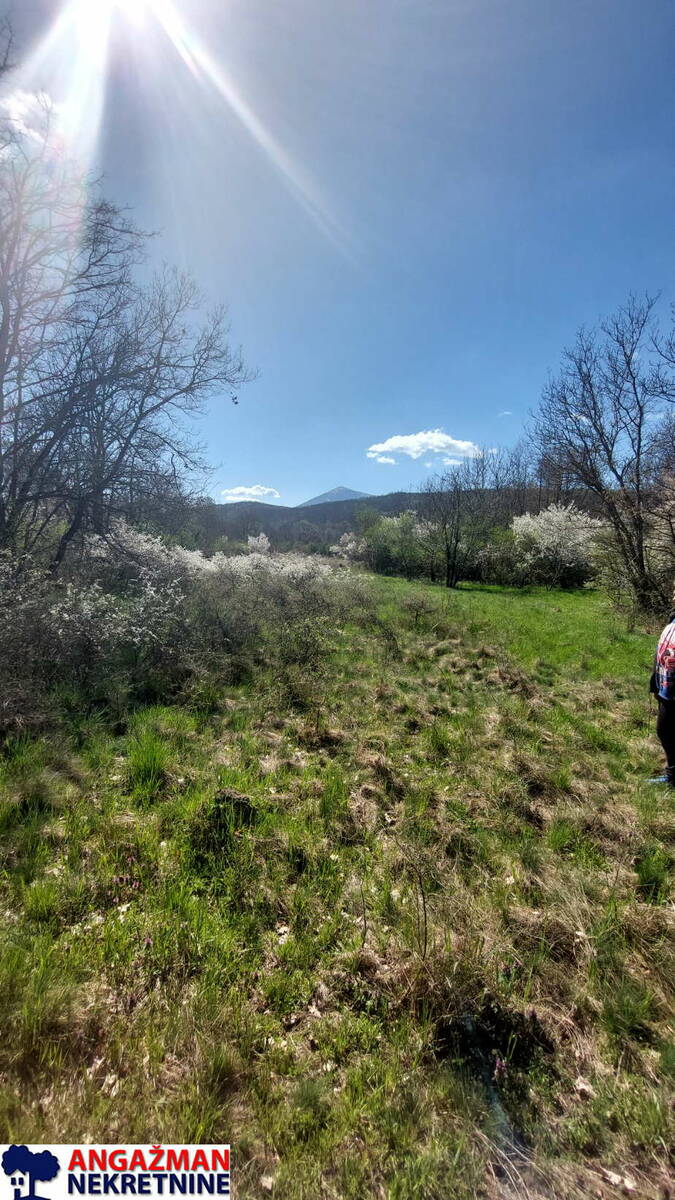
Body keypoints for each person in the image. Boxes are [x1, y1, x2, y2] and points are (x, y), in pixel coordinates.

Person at [649, 592, 675, 785]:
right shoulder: (673, 619)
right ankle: (672, 775)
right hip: (666, 688)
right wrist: (655, 683)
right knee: (665, 731)